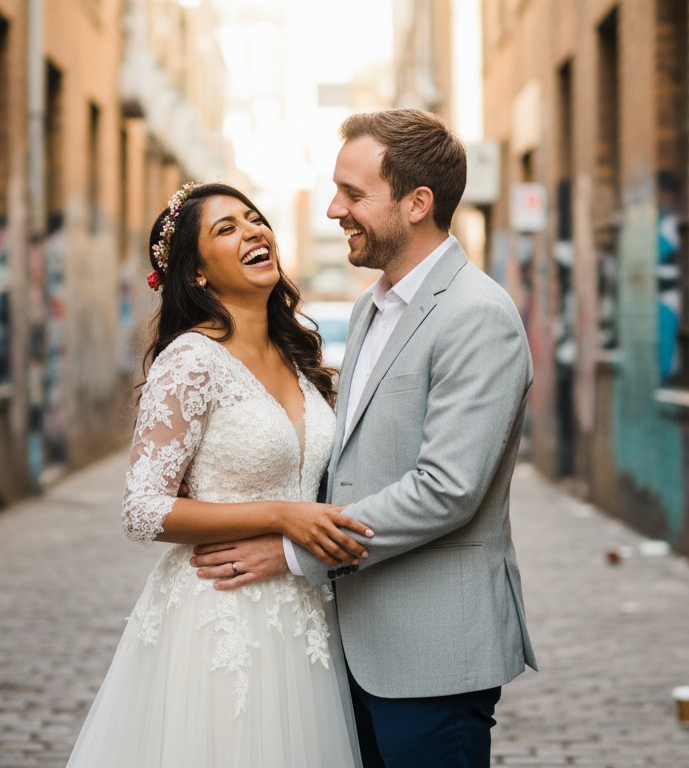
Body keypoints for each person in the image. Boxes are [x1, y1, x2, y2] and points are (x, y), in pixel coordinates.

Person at [189, 108, 537, 767]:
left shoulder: (477, 315)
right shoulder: (370, 305)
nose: (332, 210)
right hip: (350, 644)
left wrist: (293, 553)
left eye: (352, 194)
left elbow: (447, 490)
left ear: (417, 204)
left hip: (433, 657)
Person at [65, 182, 369, 767]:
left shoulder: (298, 358)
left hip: (304, 614)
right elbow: (142, 508)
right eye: (226, 228)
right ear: (198, 274)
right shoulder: (191, 361)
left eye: (255, 219)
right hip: (220, 613)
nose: (254, 231)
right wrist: (282, 516)